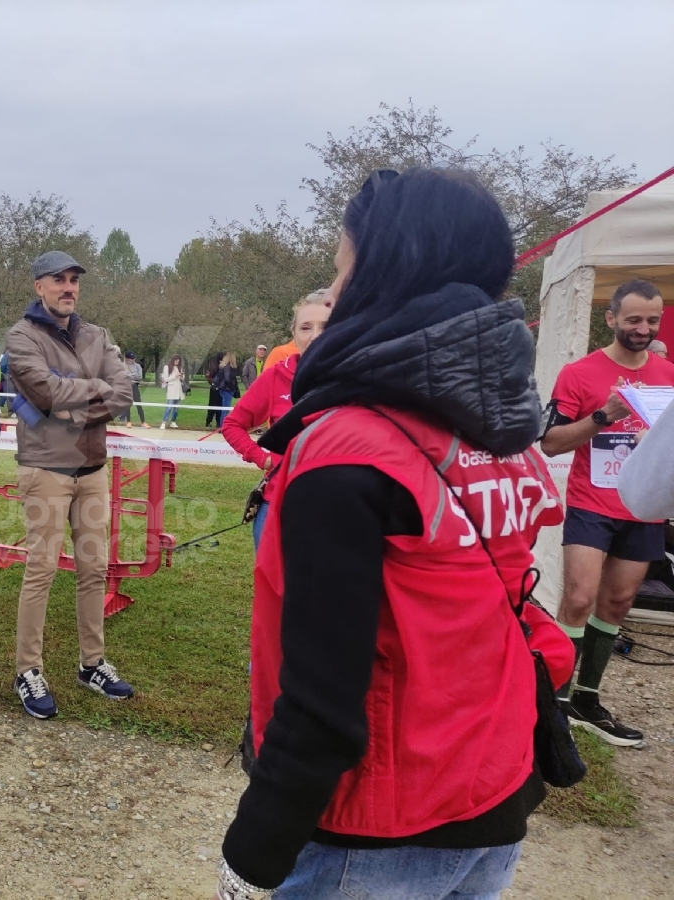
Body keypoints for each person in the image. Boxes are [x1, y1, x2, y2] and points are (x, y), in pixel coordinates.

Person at [217, 169, 572, 900]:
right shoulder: (504, 429)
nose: (335, 293)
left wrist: (253, 858)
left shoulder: (346, 447)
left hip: (379, 826)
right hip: (491, 787)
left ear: (387, 273)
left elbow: (322, 693)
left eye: (343, 270)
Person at [539, 278, 674, 747]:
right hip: (591, 504)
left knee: (616, 603)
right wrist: (605, 416)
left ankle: (587, 700)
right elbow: (551, 442)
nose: (643, 328)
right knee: (578, 597)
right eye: (634, 318)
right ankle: (554, 701)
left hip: (644, 505)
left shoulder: (668, 374)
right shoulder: (579, 373)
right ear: (611, 318)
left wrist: (653, 447)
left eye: (652, 320)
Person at [5, 249, 135, 719]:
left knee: (93, 569)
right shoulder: (21, 337)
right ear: (38, 286)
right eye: (58, 279)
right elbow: (43, 392)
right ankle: (27, 670)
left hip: (92, 469)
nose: (68, 287)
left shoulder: (98, 335)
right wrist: (90, 389)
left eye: (74, 280)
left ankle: (92, 663)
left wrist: (71, 402)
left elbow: (121, 392)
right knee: (41, 569)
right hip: (45, 469)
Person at [222, 290, 331, 549]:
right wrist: (263, 458)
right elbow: (232, 424)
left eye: (326, 326)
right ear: (294, 334)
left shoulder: (360, 379)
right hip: (280, 504)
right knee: (275, 588)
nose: (315, 335)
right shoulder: (275, 378)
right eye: (306, 327)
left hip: (338, 506)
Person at [119, 350, 149, 428]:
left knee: (139, 404)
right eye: (131, 358)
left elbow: (139, 376)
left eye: (133, 358)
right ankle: (128, 422)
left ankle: (143, 422)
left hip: (135, 386)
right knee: (127, 404)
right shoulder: (122, 366)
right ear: (127, 359)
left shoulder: (138, 366)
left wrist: (130, 375)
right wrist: (132, 375)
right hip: (127, 386)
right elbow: (123, 376)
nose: (133, 360)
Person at [160, 354, 186, 429]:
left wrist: (181, 376)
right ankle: (164, 422)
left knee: (176, 408)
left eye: (178, 361)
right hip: (171, 389)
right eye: (176, 361)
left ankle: (173, 421)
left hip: (178, 389)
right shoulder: (167, 367)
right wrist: (175, 376)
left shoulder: (179, 367)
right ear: (173, 360)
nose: (177, 362)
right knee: (169, 406)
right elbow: (165, 379)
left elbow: (181, 378)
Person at [213, 351, 240, 418]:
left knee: (225, 408)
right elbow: (227, 379)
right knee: (226, 409)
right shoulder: (228, 368)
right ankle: (223, 425)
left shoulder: (226, 367)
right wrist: (232, 387)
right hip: (226, 390)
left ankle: (223, 424)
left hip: (225, 389)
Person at [205, 352, 224, 428]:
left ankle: (209, 421)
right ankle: (218, 422)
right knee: (218, 405)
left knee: (212, 405)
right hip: (218, 388)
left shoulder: (212, 366)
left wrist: (211, 383)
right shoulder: (221, 366)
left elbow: (208, 376)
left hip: (214, 388)